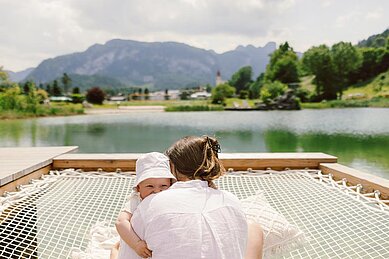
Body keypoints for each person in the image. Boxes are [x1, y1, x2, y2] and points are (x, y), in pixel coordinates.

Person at [113, 135, 263, 259]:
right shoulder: (230, 199)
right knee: (253, 228)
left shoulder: (151, 203)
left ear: (172, 168)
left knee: (117, 249)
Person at [115, 152, 176, 259]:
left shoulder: (172, 198)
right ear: (138, 188)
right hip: (139, 249)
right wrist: (136, 243)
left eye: (163, 186)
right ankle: (114, 250)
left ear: (170, 184)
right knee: (117, 252)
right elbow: (120, 222)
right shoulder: (136, 200)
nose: (157, 191)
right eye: (150, 186)